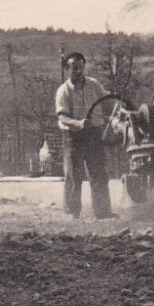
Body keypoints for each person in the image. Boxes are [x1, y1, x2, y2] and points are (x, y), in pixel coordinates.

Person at [54, 52, 115, 220]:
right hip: (73, 137)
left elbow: (108, 100)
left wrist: (120, 108)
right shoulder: (63, 91)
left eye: (81, 67)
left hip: (94, 134)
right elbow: (62, 118)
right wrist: (79, 123)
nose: (79, 71)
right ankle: (72, 213)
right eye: (74, 68)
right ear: (67, 69)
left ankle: (103, 213)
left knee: (99, 174)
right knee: (74, 175)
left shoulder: (93, 85)